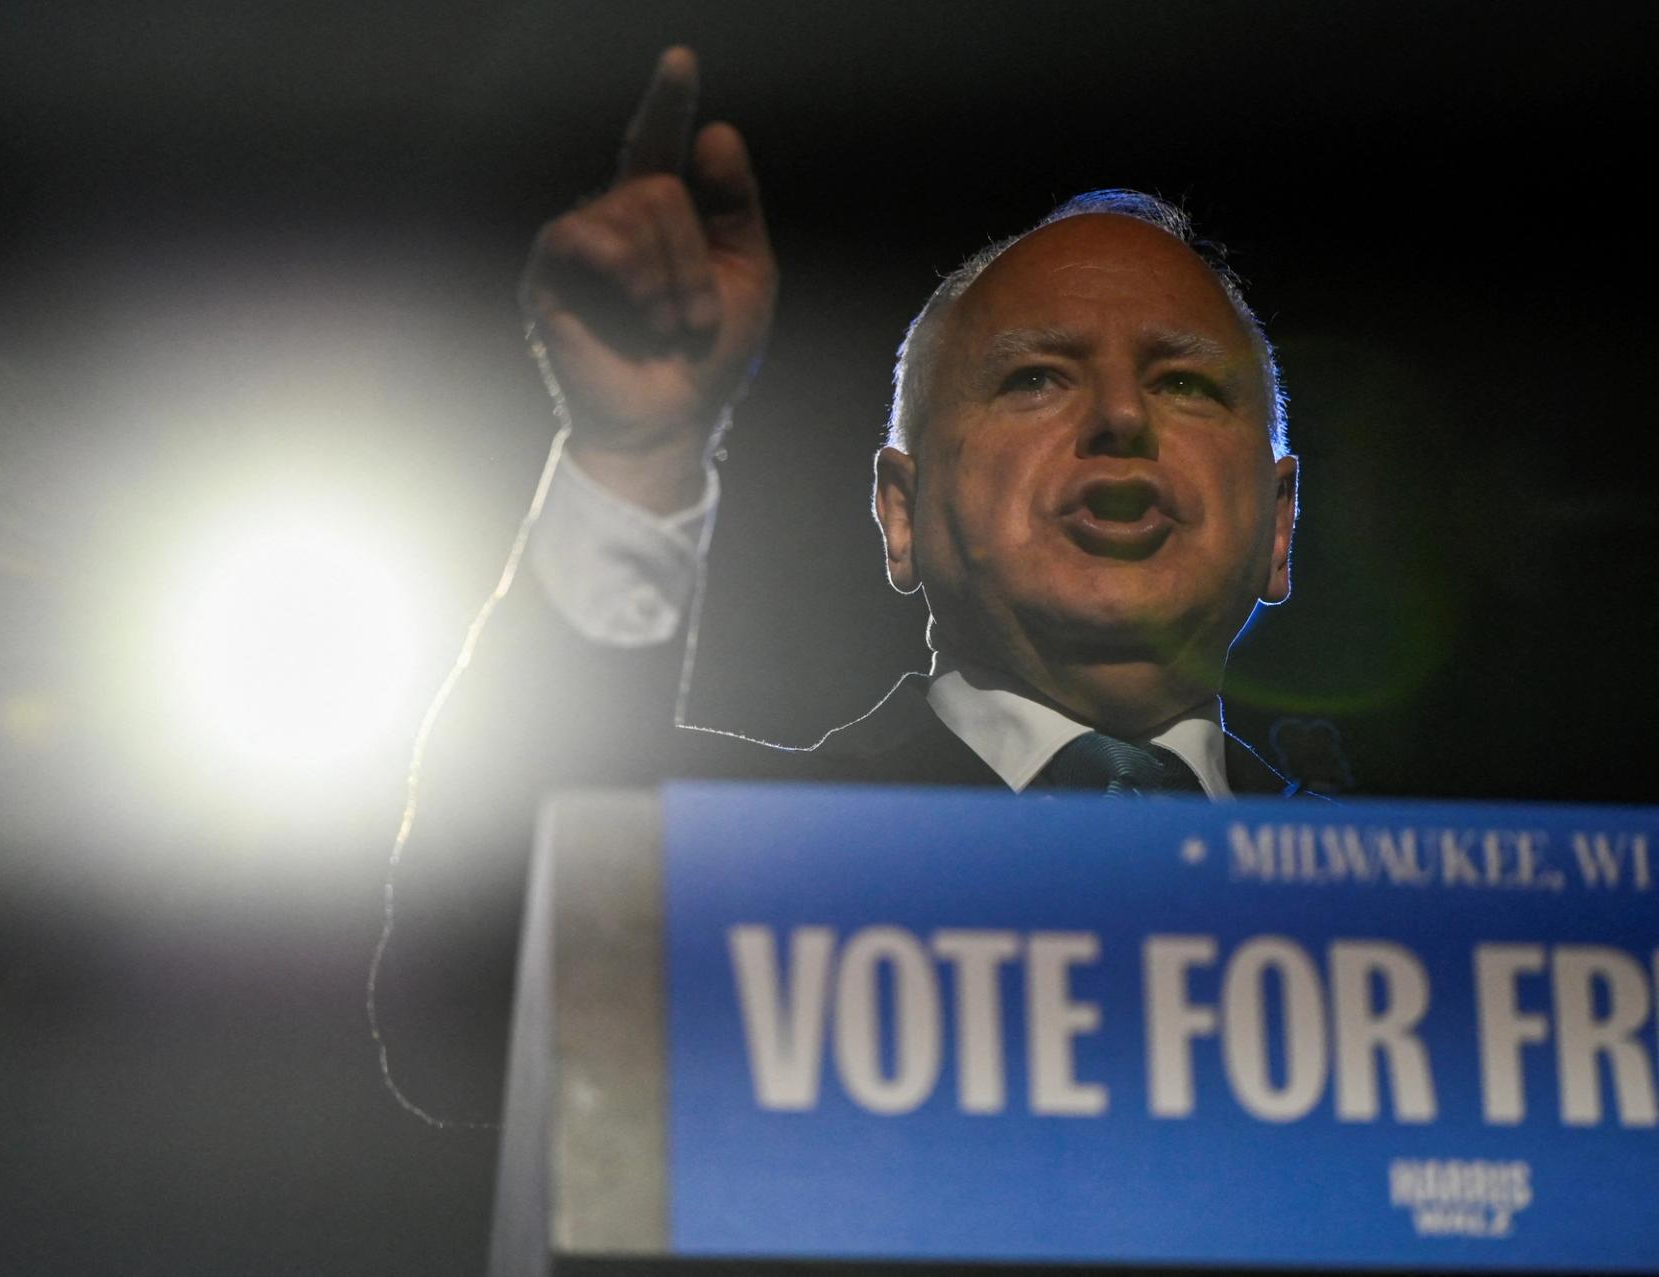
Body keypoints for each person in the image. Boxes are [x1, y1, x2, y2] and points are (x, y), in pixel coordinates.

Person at [371, 47, 1308, 1130]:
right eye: (1035, 377)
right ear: (901, 517)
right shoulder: (737, 861)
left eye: (1184, 381)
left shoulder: (1434, 889)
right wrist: (635, 455)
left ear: (1280, 526)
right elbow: (474, 1007)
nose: (1120, 419)